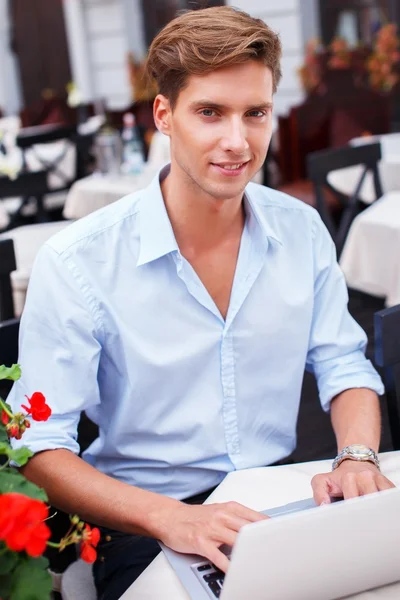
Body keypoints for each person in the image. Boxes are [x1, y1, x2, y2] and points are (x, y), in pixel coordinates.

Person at [8, 6, 394, 600]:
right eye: (210, 112)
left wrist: (357, 456)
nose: (237, 142)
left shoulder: (304, 230)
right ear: (164, 114)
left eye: (255, 113)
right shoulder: (78, 261)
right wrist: (172, 519)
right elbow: (37, 446)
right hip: (145, 524)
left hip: (279, 503)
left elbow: (344, 365)